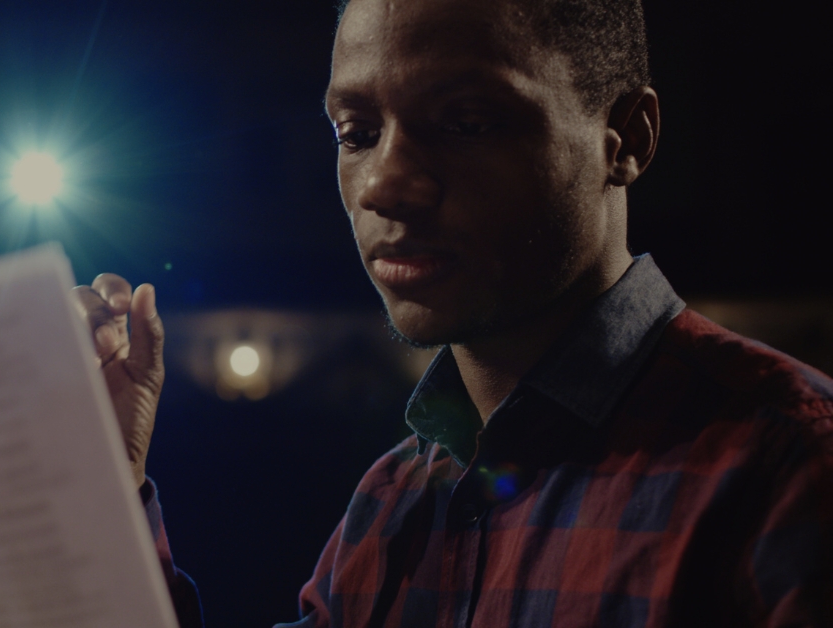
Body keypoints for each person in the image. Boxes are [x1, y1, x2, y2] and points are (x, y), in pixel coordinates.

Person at [70, 0, 833, 625]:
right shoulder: (390, 503)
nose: (385, 184)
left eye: (468, 122)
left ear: (626, 138)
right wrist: (100, 478)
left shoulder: (789, 469)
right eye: (356, 133)